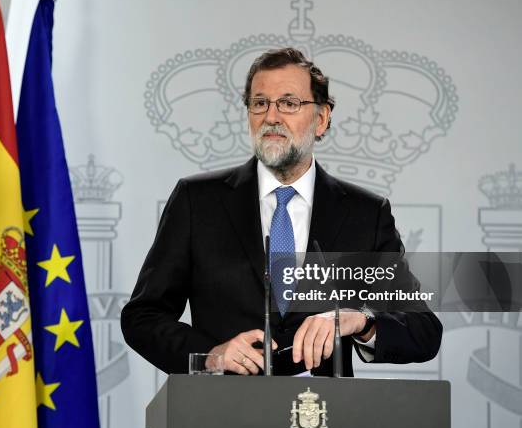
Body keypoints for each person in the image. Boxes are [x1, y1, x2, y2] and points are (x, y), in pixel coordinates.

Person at [121, 47, 442, 376]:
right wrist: (210, 355)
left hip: (323, 417)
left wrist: (361, 322)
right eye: (260, 103)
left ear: (321, 119)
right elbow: (143, 317)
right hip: (220, 414)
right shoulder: (197, 202)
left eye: (289, 103)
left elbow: (423, 331)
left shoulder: (366, 215)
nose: (271, 117)